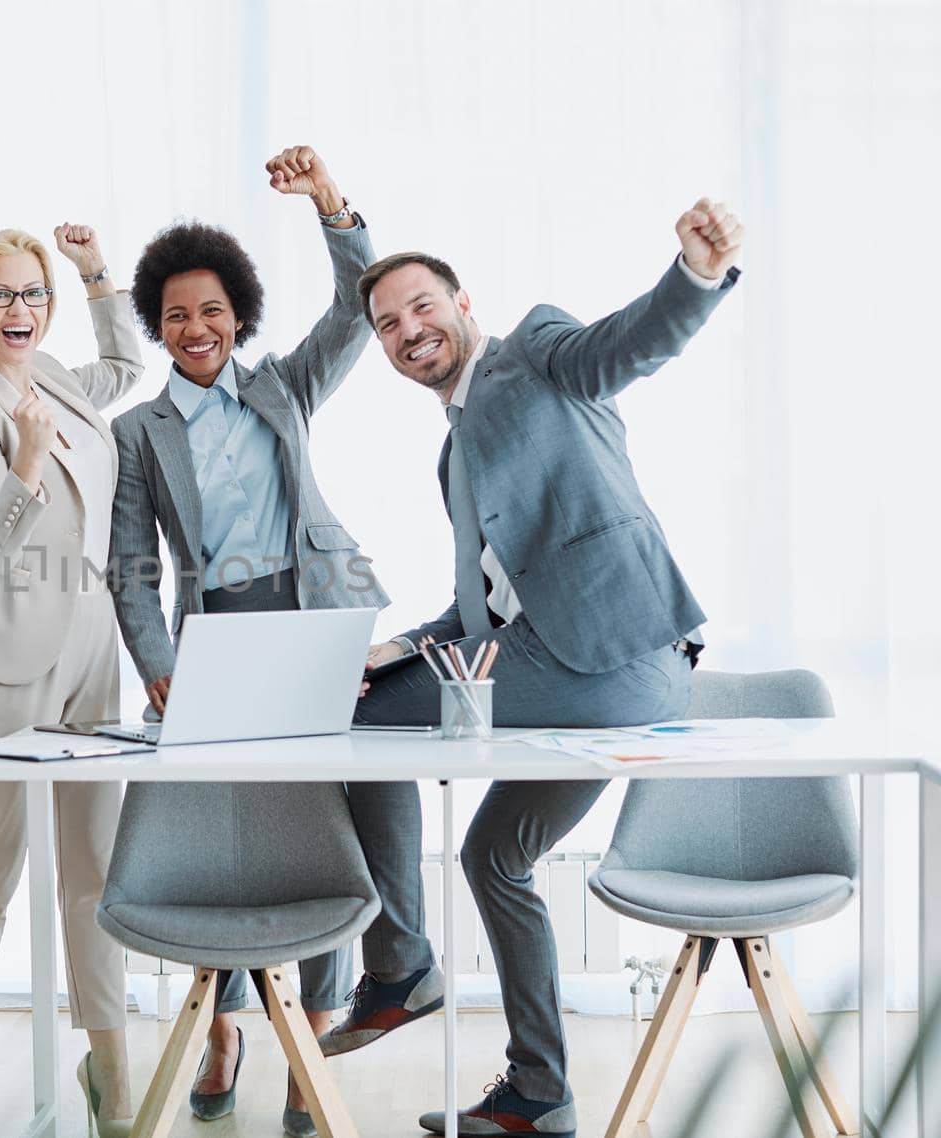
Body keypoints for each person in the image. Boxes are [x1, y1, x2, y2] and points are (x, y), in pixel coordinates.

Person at [345, 199, 744, 1137]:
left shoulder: (534, 351)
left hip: (615, 656)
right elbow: (473, 615)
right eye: (388, 325)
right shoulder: (454, 457)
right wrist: (393, 651)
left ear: (462, 302)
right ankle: (540, 1093)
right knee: (495, 856)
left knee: (358, 731)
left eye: (420, 307)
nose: (409, 331)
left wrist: (690, 276)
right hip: (561, 667)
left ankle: (398, 962)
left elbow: (626, 346)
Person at [108, 146, 440, 1138]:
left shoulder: (283, 389)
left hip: (310, 619)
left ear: (237, 315)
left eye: (211, 309)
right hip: (211, 647)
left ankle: (320, 1033)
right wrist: (159, 670)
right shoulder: (138, 433)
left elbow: (356, 305)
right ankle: (224, 1025)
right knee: (227, 833)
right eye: (174, 314)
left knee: (324, 820)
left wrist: (331, 203)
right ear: (156, 328)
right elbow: (131, 566)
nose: (195, 327)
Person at [0, 224, 145, 1137]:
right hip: (13, 653)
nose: (17, 312)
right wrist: (22, 459)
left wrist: (97, 272)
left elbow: (126, 363)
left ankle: (112, 1071)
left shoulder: (59, 374)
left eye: (31, 294)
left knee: (96, 871)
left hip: (96, 647)